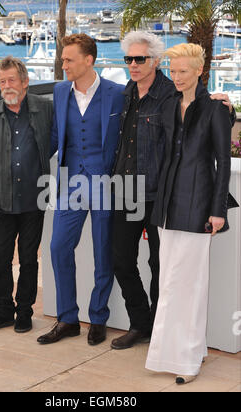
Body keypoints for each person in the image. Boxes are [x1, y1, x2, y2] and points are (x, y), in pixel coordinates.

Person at [110, 31, 236, 351]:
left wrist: (228, 109)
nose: (133, 65)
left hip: (160, 194)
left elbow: (201, 123)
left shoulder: (169, 94)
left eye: (140, 59)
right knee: (121, 259)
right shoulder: (125, 93)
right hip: (127, 190)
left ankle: (159, 331)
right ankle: (142, 323)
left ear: (155, 62)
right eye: (128, 59)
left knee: (161, 268)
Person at [145, 43, 238, 384]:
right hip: (167, 207)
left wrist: (218, 212)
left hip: (199, 206)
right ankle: (181, 352)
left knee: (190, 285)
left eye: (183, 71)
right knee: (170, 282)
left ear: (199, 71)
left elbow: (222, 163)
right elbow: (164, 158)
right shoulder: (169, 104)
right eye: (173, 70)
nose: (177, 76)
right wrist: (153, 207)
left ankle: (186, 360)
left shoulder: (214, 109)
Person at [37, 34, 125, 346]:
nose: (63, 65)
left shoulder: (117, 93)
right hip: (71, 181)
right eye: (63, 59)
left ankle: (98, 317)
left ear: (89, 60)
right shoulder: (60, 91)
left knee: (104, 253)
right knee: (59, 247)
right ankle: (68, 319)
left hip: (105, 183)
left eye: (68, 60)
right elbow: (53, 135)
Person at [0, 56, 53, 334]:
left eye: (11, 80)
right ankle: (3, 311)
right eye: (2, 81)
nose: (7, 86)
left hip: (35, 199)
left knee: (29, 259)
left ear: (25, 82)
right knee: (0, 260)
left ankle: (24, 312)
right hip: (3, 201)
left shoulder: (45, 109)